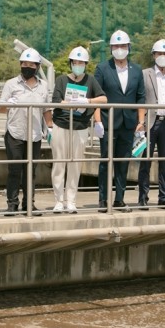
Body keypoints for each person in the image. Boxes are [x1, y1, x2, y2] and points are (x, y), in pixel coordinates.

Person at [94, 30, 146, 213]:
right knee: (106, 162)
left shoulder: (137, 71)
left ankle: (119, 199)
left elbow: (141, 97)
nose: (119, 49)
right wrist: (97, 121)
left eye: (122, 46)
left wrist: (141, 121)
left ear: (129, 48)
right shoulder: (102, 68)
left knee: (123, 162)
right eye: (116, 46)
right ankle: (103, 199)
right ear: (111, 48)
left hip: (128, 124)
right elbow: (97, 96)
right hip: (108, 123)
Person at [51, 46, 107, 214]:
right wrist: (70, 104)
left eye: (81, 62)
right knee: (59, 163)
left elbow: (104, 99)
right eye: (75, 62)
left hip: (80, 126)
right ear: (71, 63)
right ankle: (59, 200)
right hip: (61, 124)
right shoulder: (62, 80)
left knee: (75, 164)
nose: (78, 65)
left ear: (85, 64)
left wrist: (88, 102)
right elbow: (55, 101)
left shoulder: (90, 80)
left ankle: (71, 200)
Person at [0, 48, 53, 216]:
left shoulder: (43, 86)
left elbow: (47, 110)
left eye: (31, 64)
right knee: (15, 169)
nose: (27, 67)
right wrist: (8, 103)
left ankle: (29, 204)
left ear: (37, 67)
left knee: (30, 170)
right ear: (20, 65)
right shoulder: (11, 84)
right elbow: (0, 108)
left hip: (35, 134)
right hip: (15, 132)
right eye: (24, 64)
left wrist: (50, 127)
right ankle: (12, 203)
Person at [137, 39, 165, 209]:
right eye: (159, 53)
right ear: (154, 55)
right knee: (145, 160)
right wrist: (139, 122)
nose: (162, 56)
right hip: (150, 122)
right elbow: (140, 98)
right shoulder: (145, 74)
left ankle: (164, 197)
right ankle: (143, 197)